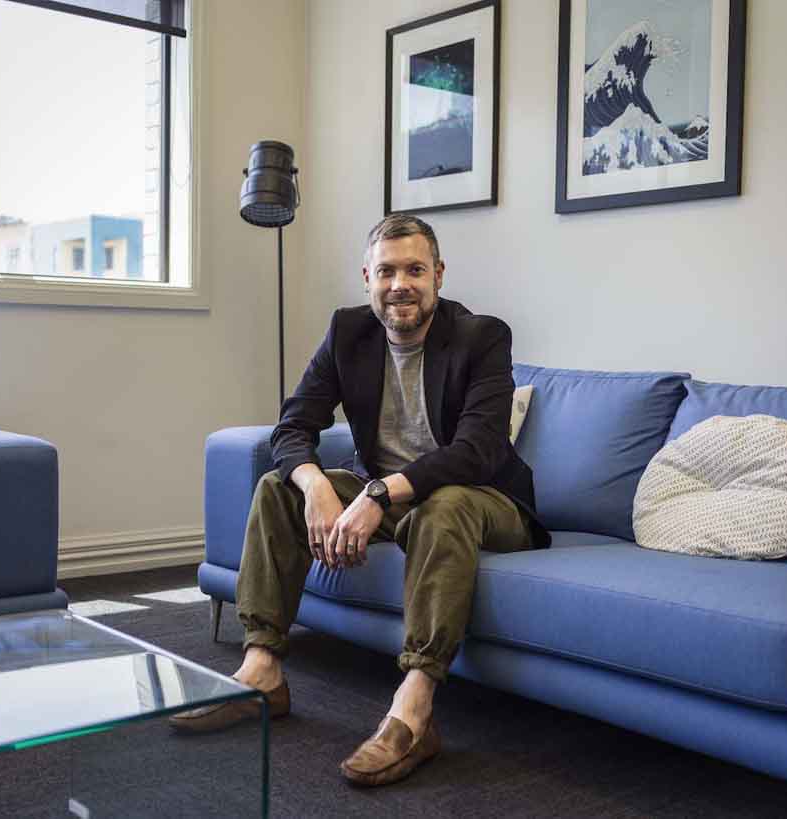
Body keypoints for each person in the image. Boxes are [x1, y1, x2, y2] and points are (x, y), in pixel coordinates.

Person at [170, 214, 550, 787]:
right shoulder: (348, 332)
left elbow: (475, 452)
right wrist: (315, 485)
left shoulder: (482, 336)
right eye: (388, 271)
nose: (401, 285)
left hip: (485, 500)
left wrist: (376, 493)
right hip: (396, 499)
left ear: (439, 275)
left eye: (415, 270)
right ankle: (262, 670)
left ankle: (416, 706)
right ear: (368, 277)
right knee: (278, 487)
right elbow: (293, 425)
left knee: (445, 504)